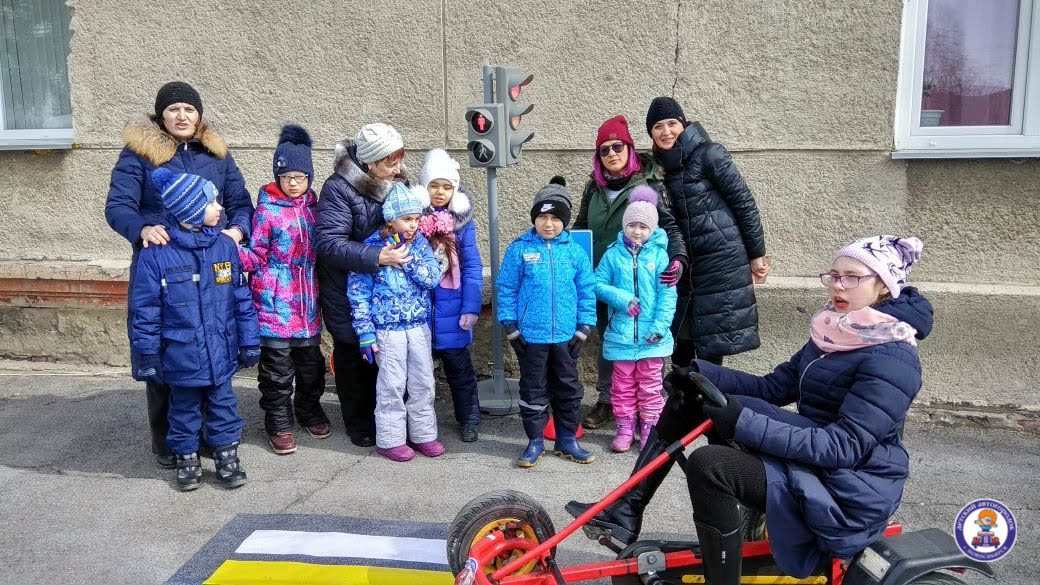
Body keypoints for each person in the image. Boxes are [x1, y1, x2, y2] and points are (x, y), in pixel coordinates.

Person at [568, 235, 932, 584]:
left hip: (849, 487)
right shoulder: (839, 331)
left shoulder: (892, 357)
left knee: (710, 466)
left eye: (852, 277)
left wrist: (742, 422)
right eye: (834, 276)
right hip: (818, 463)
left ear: (883, 286)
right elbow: (773, 387)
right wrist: (700, 373)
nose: (838, 286)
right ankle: (626, 510)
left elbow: (842, 447)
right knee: (692, 397)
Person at [105, 81, 254, 468]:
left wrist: (238, 230)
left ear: (199, 115)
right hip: (163, 266)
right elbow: (118, 206)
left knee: (209, 346)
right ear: (161, 116)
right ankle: (170, 445)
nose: (182, 116)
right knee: (166, 349)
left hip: (209, 264)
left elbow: (240, 201)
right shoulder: (139, 154)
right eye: (174, 109)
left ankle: (208, 439)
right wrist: (141, 228)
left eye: (189, 109)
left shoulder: (216, 154)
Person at [130, 168, 261, 491]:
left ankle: (227, 456)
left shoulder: (224, 246)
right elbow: (145, 310)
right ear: (191, 211)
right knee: (183, 410)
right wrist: (147, 354)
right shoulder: (156, 255)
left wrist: (249, 340)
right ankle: (187, 458)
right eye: (212, 203)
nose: (220, 207)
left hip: (221, 350)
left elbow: (240, 297)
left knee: (224, 407)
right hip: (181, 354)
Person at [574, 115, 687, 431]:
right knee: (610, 340)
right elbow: (580, 228)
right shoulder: (593, 187)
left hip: (642, 281)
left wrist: (678, 259)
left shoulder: (648, 185)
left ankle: (647, 413)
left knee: (645, 346)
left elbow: (669, 226)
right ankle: (608, 402)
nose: (611, 154)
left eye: (618, 147)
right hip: (603, 279)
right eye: (604, 150)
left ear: (629, 148)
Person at [645, 97, 768, 368]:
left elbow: (743, 203)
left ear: (683, 124)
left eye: (672, 123)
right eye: (658, 126)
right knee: (682, 341)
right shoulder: (658, 169)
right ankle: (682, 395)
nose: (666, 132)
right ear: (651, 133)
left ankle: (707, 396)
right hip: (686, 264)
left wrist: (756, 254)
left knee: (712, 345)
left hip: (721, 262)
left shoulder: (709, 154)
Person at [314, 123, 410, 448]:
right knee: (354, 354)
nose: (397, 169)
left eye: (399, 160)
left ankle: (389, 419)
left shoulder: (398, 182)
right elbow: (329, 243)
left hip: (387, 289)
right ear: (370, 163)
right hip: (346, 288)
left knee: (386, 353)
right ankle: (359, 424)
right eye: (390, 163)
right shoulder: (338, 188)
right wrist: (376, 256)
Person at [238, 125, 328, 455]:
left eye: (300, 177)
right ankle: (279, 423)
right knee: (277, 373)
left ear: (309, 178)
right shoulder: (266, 212)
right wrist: (227, 252)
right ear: (278, 177)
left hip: (307, 307)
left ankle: (308, 410)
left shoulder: (315, 210)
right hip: (273, 305)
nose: (293, 183)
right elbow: (256, 253)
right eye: (287, 176)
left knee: (311, 368)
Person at [497, 177, 598, 468]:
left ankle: (567, 440)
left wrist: (584, 327)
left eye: (556, 218)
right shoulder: (519, 249)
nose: (549, 224)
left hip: (566, 336)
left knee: (568, 388)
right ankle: (535, 441)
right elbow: (507, 288)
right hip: (532, 336)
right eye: (543, 217)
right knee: (533, 389)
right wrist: (511, 328)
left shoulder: (574, 252)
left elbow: (586, 290)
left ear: (565, 221)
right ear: (535, 218)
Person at [347, 184, 444, 462]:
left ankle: (423, 434)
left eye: (416, 219)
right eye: (407, 219)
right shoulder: (371, 248)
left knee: (423, 381)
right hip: (387, 330)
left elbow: (432, 278)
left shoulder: (420, 245)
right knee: (392, 383)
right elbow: (358, 293)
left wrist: (407, 259)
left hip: (418, 326)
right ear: (391, 220)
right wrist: (365, 332)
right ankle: (390, 439)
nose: (413, 225)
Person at [593, 187, 677, 453]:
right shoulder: (613, 254)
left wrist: (660, 327)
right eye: (632, 225)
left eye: (643, 226)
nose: (637, 231)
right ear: (624, 225)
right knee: (622, 387)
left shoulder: (660, 256)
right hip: (622, 335)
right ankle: (625, 428)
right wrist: (622, 299)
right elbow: (597, 283)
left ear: (652, 228)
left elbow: (668, 296)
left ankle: (650, 429)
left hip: (652, 337)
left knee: (651, 387)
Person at [417, 148, 484, 442]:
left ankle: (469, 418)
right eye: (434, 185)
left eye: (447, 187)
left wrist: (471, 306)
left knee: (460, 371)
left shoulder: (462, 223)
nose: (440, 192)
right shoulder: (412, 218)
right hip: (419, 309)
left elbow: (471, 266)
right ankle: (419, 424)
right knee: (418, 375)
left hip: (453, 309)